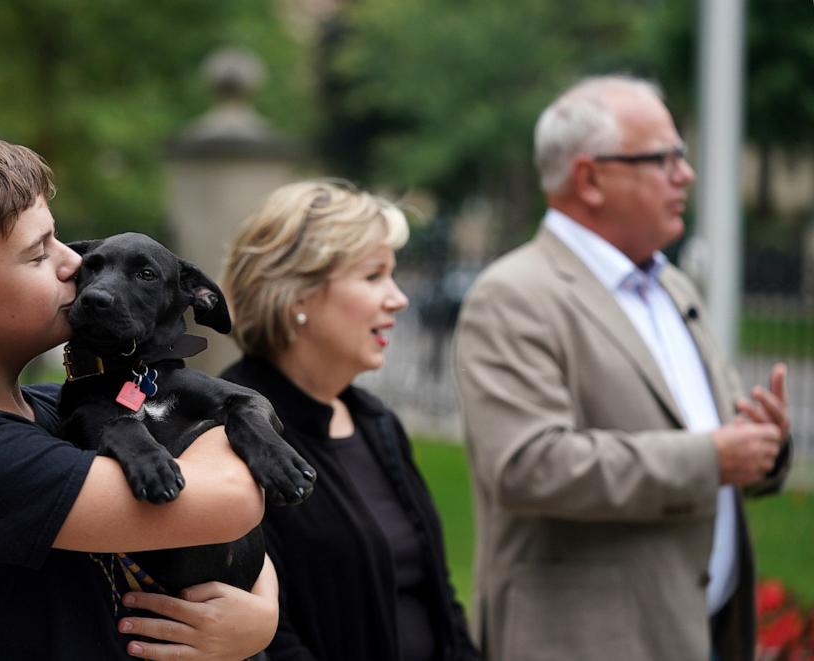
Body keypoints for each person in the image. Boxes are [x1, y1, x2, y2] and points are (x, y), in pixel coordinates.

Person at [0, 128, 278, 660]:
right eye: (38, 254)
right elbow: (230, 503)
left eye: (58, 238)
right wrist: (225, 417)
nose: (74, 263)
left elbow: (231, 536)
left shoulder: (56, 404)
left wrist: (261, 614)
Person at [452, 75, 792, 661]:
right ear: (590, 178)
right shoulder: (514, 294)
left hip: (697, 628)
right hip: (587, 640)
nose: (685, 175)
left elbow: (719, 435)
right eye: (664, 159)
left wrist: (765, 445)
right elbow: (528, 464)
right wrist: (711, 458)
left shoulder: (672, 285)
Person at [219, 180, 479, 661]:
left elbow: (437, 597)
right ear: (298, 293)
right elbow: (268, 638)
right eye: (374, 275)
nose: (398, 298)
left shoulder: (377, 422)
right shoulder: (231, 435)